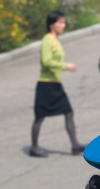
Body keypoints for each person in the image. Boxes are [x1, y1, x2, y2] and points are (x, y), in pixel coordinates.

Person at [30, 10, 85, 157]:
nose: (63, 25)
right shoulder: (47, 40)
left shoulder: (56, 40)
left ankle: (75, 145)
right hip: (45, 84)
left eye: (64, 22)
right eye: (60, 22)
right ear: (51, 25)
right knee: (40, 116)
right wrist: (65, 66)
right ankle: (34, 147)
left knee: (68, 112)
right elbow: (46, 62)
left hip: (55, 83)